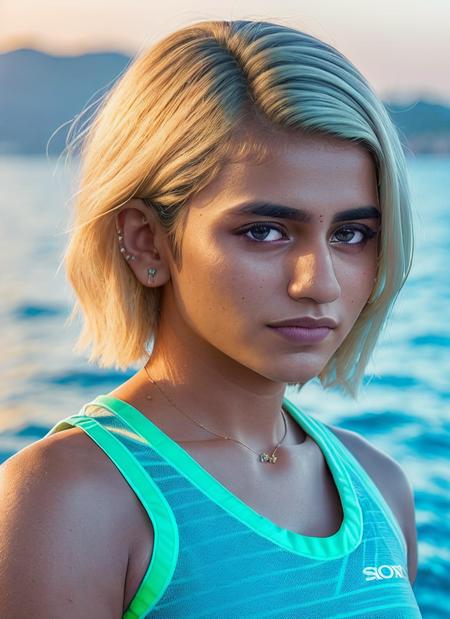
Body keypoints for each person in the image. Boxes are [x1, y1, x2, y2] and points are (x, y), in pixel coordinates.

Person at [0, 19, 421, 618]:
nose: (319, 282)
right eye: (265, 231)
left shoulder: (381, 486)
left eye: (352, 234)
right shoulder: (68, 501)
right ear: (147, 242)